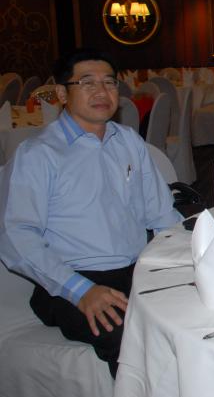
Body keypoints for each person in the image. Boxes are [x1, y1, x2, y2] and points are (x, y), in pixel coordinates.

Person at [0, 48, 181, 377]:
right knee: (133, 338)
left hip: (135, 271)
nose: (101, 91)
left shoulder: (129, 141)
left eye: (109, 82)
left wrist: (192, 254)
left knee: (195, 314)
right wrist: (80, 290)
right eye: (87, 83)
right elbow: (16, 236)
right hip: (71, 280)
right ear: (61, 94)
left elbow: (161, 215)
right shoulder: (39, 154)